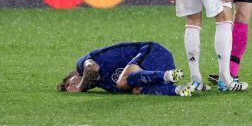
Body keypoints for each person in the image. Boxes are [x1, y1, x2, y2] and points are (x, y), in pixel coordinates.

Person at [58, 41, 193, 96]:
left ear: (73, 74)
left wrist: (79, 87)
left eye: (70, 83)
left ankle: (165, 75)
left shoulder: (82, 65)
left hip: (153, 52)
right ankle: (179, 89)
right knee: (136, 89)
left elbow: (92, 68)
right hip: (156, 68)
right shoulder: (106, 85)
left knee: (123, 82)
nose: (73, 86)